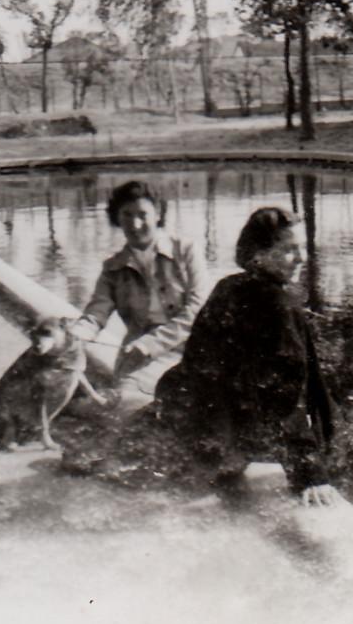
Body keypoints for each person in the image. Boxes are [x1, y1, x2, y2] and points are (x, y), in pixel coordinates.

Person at [70, 206, 337, 507]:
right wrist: (310, 474)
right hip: (223, 438)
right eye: (289, 250)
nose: (301, 258)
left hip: (194, 420)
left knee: (104, 460)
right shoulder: (279, 305)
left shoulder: (229, 286)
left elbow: (196, 366)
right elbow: (283, 395)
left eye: (302, 248)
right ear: (258, 255)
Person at [70, 180, 208, 411]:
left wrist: (149, 344)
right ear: (117, 218)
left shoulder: (186, 251)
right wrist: (75, 334)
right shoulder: (112, 268)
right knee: (123, 403)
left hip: (190, 350)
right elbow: (96, 313)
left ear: (158, 214)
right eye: (126, 215)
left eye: (143, 215)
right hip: (137, 359)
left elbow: (198, 310)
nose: (135, 224)